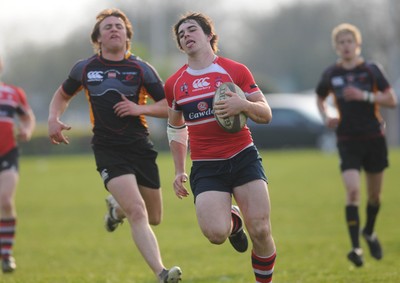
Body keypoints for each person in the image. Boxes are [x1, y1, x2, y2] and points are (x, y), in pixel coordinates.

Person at [47, 8, 182, 283]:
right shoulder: (84, 68)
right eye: (107, 26)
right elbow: (62, 95)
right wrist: (53, 118)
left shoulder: (141, 69)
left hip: (140, 147)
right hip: (108, 149)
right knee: (137, 210)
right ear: (98, 37)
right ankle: (161, 272)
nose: (114, 29)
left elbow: (170, 106)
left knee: (153, 216)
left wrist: (137, 109)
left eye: (119, 26)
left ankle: (114, 209)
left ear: (127, 35)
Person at [165, 12, 277, 283]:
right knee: (216, 234)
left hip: (243, 157)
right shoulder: (175, 84)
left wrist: (244, 106)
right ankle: (233, 222)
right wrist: (179, 169)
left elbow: (266, 113)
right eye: (181, 34)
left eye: (192, 30)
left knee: (261, 230)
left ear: (208, 35)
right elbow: (175, 127)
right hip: (206, 165)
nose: (187, 36)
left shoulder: (234, 70)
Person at [315, 23, 398, 267]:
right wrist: (326, 114)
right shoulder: (331, 74)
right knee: (352, 192)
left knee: (374, 196)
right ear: (336, 47)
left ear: (357, 44)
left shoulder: (371, 70)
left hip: (373, 138)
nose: (346, 46)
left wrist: (365, 96)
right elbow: (320, 98)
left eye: (349, 41)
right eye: (341, 42)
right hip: (347, 140)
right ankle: (356, 249)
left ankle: (369, 232)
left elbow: (392, 100)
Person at [0, 56, 36, 273]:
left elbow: (27, 116)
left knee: (5, 200)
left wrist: (27, 130)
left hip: (7, 152)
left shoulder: (13, 93)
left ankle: (6, 255)